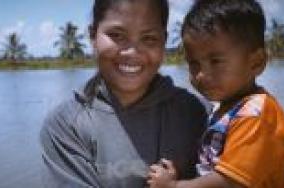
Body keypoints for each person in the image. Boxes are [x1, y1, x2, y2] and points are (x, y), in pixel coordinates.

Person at [39, 0, 207, 187]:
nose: (132, 52)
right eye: (117, 35)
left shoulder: (197, 113)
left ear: (164, 41)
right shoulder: (67, 127)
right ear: (93, 36)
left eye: (148, 38)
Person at [147, 0, 284, 187]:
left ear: (256, 62)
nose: (201, 75)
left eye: (216, 61)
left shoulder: (256, 115)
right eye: (194, 63)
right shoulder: (229, 108)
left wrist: (173, 186)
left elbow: (229, 182)